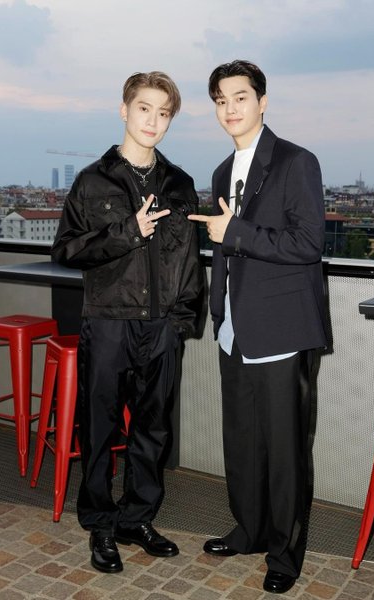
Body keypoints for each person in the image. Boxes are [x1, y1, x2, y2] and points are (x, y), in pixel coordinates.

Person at [52, 71, 204, 574]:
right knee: (99, 428)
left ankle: (136, 519)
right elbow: (66, 250)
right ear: (124, 110)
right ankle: (100, 524)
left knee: (153, 430)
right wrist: (127, 231)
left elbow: (189, 261)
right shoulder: (91, 180)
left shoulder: (180, 184)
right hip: (109, 321)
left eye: (163, 113)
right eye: (144, 108)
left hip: (162, 326)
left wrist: (182, 323)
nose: (153, 120)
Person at [188, 60, 328, 594]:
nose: (230, 109)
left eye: (240, 97)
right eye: (221, 100)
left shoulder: (296, 161)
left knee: (285, 451)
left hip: (281, 329)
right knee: (242, 441)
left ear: (262, 102)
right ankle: (248, 530)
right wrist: (218, 308)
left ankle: (285, 556)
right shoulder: (222, 171)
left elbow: (308, 243)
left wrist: (236, 232)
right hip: (234, 327)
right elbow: (226, 245)